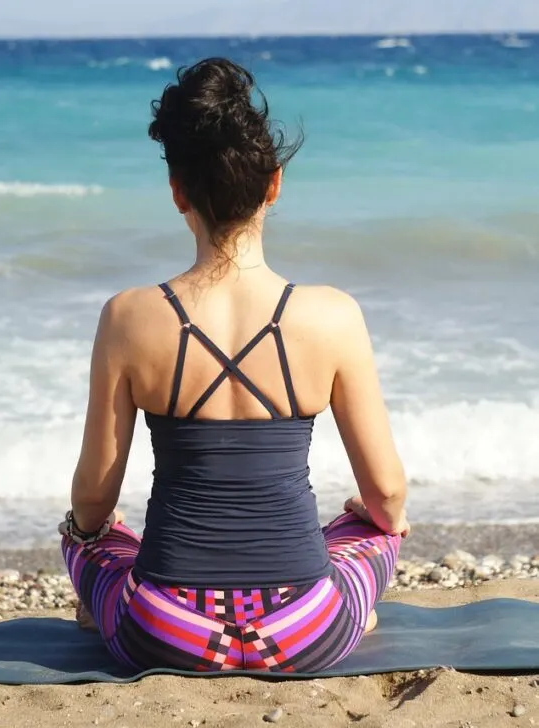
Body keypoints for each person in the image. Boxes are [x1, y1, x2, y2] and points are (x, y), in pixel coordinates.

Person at [59, 58, 409, 673]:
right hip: (303, 626)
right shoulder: (333, 315)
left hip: (166, 628)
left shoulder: (128, 317)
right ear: (274, 184)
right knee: (374, 533)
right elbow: (387, 494)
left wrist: (93, 531)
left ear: (178, 193)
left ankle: (105, 604)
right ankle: (354, 608)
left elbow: (93, 500)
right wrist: (373, 521)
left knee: (86, 540)